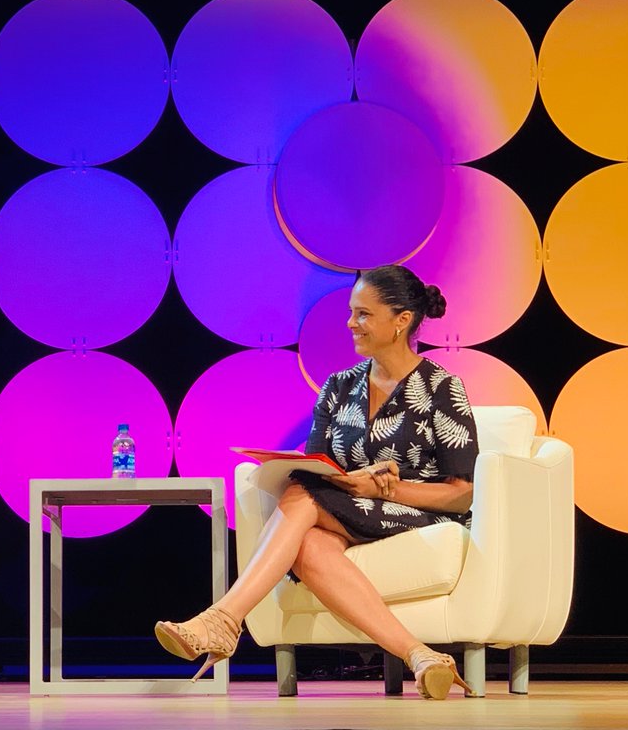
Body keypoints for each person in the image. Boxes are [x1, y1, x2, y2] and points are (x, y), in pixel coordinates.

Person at [155, 266, 478, 699]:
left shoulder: (441, 388)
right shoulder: (339, 387)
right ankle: (421, 656)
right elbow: (317, 465)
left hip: (414, 514)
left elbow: (462, 492)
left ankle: (225, 620)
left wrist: (387, 488)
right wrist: (332, 476)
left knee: (302, 494)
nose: (350, 323)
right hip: (347, 509)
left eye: (363, 314)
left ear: (401, 320)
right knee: (306, 532)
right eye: (351, 312)